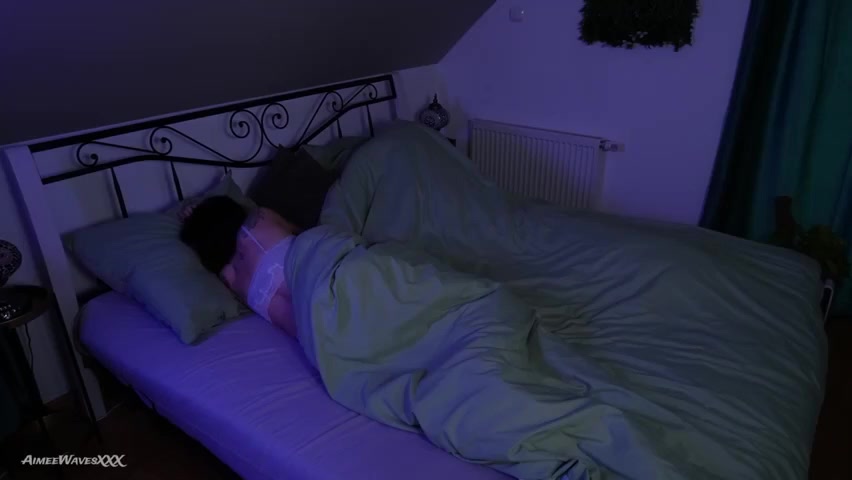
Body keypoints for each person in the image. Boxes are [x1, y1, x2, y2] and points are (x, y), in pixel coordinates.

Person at [180, 195, 300, 336]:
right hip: (317, 276)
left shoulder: (229, 276)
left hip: (311, 333)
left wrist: (195, 221)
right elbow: (303, 233)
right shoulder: (262, 218)